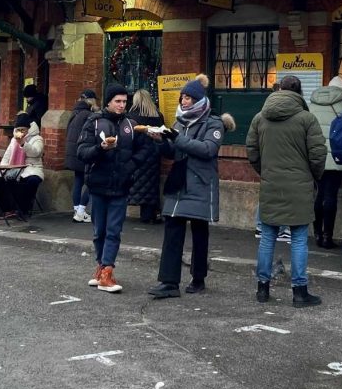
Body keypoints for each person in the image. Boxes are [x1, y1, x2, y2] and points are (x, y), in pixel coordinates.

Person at [146, 75, 235, 299]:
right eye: (182, 97)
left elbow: (207, 150)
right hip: (179, 181)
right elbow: (175, 152)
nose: (184, 102)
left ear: (198, 100)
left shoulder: (213, 123)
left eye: (188, 98)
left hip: (200, 182)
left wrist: (176, 138)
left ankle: (198, 278)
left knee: (199, 231)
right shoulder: (179, 122)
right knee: (172, 230)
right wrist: (160, 141)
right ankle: (169, 282)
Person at [246, 75, 326, 307]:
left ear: (279, 90)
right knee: (299, 238)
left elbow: (251, 151)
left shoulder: (260, 118)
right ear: (299, 92)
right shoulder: (306, 119)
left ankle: (263, 288)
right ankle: (300, 292)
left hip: (271, 183)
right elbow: (318, 153)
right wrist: (313, 177)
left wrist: (265, 171)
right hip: (300, 185)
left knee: (268, 237)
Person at [77, 84, 151, 294]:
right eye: (117, 101)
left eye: (124, 102)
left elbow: (145, 149)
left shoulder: (131, 124)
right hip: (98, 184)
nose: (121, 105)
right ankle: (101, 266)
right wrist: (100, 149)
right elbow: (81, 151)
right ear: (108, 101)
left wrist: (130, 166)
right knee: (99, 230)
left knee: (113, 230)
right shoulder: (95, 122)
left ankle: (108, 270)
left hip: (121, 185)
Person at [308, 76, 342, 248]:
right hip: (336, 157)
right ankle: (328, 236)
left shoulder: (312, 104)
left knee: (318, 194)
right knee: (331, 195)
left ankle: (317, 234)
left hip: (316, 156)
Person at [127, 88, 164, 223]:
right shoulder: (158, 116)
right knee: (151, 186)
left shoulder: (131, 116)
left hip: (137, 154)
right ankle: (148, 214)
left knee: (137, 183)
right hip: (154, 155)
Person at [0, 113, 43, 219]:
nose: (21, 132)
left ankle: (22, 209)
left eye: (23, 130)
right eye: (18, 130)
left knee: (30, 181)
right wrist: (3, 168)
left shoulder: (37, 139)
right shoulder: (13, 140)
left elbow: (36, 153)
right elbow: (6, 157)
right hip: (15, 168)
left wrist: (23, 144)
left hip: (31, 168)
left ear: (28, 129)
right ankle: (7, 209)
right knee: (1, 178)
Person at [63, 89, 97, 223]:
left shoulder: (75, 113)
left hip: (73, 152)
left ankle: (77, 210)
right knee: (91, 181)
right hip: (84, 152)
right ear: (91, 100)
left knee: (78, 181)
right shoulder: (88, 115)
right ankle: (81, 211)